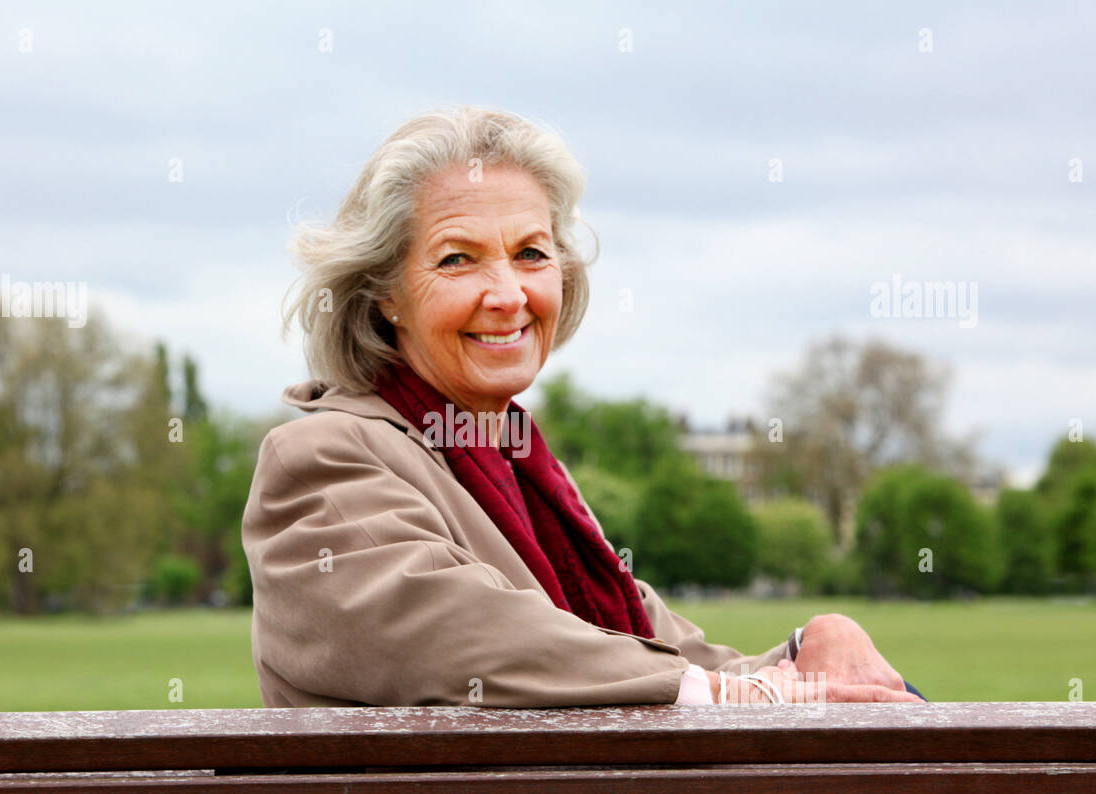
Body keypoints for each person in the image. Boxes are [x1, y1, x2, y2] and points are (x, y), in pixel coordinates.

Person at [242, 105, 925, 709]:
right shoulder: (322, 459)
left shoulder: (524, 473)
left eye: (531, 253)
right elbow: (463, 636)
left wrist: (817, 644)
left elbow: (674, 660)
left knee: (890, 699)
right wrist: (745, 692)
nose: (508, 293)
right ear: (386, 294)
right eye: (458, 260)